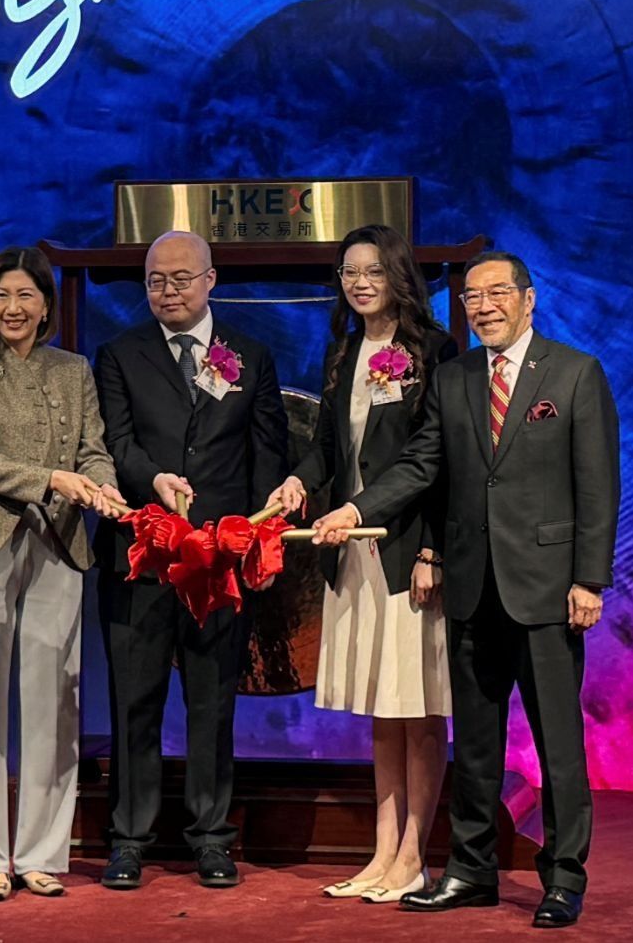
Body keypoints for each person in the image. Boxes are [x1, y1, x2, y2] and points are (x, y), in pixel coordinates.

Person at [313, 250, 619, 929]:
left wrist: (588, 579)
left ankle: (563, 878)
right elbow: (422, 464)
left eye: (497, 292)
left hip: (547, 589)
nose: (484, 306)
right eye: (473, 296)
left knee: (557, 742)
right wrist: (357, 509)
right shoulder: (454, 378)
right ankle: (471, 870)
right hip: (471, 584)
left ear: (528, 299)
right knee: (475, 744)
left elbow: (598, 484)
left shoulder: (574, 373)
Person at [93, 230, 288, 890]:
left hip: (218, 563)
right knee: (135, 701)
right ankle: (128, 838)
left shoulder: (251, 356)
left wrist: (257, 534)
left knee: (212, 703)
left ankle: (211, 836)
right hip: (142, 558)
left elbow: (268, 454)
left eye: (181, 278)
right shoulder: (119, 355)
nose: (168, 291)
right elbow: (116, 441)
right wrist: (154, 480)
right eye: (156, 280)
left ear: (211, 280)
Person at [265, 224, 454, 904]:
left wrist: (431, 549)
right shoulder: (344, 351)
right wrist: (299, 482)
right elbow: (329, 447)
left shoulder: (435, 350)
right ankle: (382, 852)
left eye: (373, 269)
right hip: (354, 552)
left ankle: (414, 857)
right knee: (384, 705)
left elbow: (435, 459)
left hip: (409, 552)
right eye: (349, 271)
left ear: (398, 274)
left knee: (419, 706)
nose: (360, 282)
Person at [0, 245, 117, 902]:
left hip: (59, 542)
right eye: (1, 296)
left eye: (25, 295)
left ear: (46, 306)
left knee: (53, 704)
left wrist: (101, 485)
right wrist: (52, 479)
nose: (12, 308)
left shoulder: (73, 369)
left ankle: (42, 853)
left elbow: (93, 449)